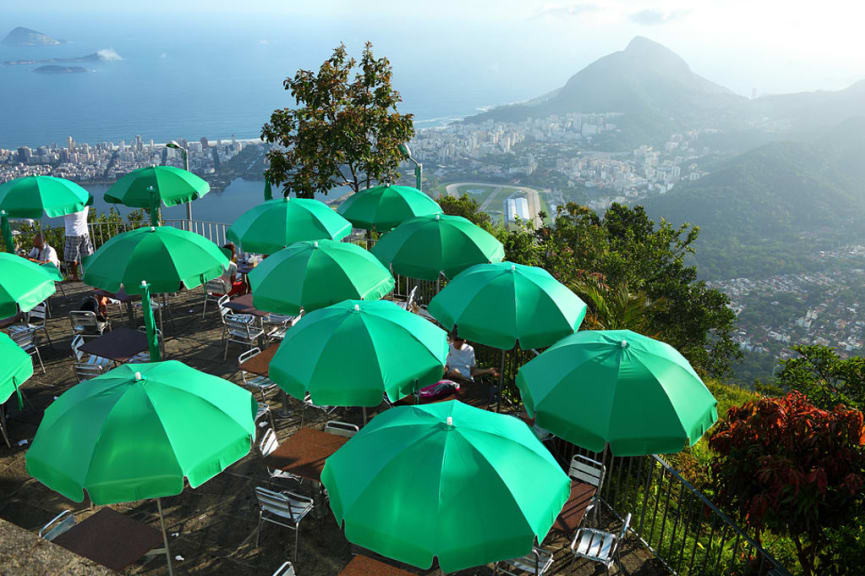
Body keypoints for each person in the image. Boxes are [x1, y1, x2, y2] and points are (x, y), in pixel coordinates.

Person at [64, 206, 93, 281]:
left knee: (73, 257)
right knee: (87, 255)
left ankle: (75, 276)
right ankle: (89, 273)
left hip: (72, 233)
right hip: (84, 232)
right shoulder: (85, 205)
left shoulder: (68, 207)